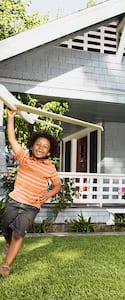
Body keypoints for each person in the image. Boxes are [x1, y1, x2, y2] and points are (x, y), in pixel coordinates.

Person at [0, 108, 61, 277]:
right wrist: (11, 117)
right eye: (38, 145)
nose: (41, 148)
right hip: (14, 201)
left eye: (45, 147)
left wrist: (48, 194)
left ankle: (6, 266)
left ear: (49, 151)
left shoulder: (50, 167)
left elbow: (57, 186)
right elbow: (11, 139)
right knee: (6, 230)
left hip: (31, 206)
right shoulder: (24, 157)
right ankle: (8, 244)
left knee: (18, 234)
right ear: (32, 145)